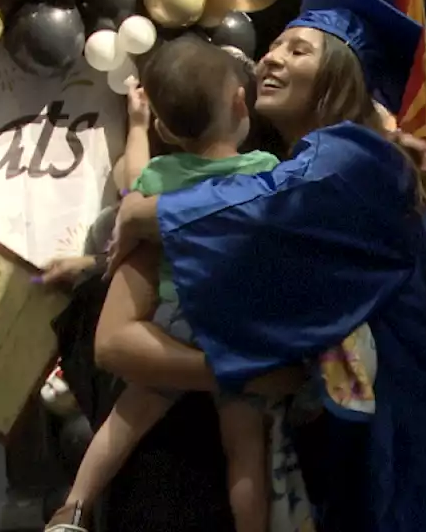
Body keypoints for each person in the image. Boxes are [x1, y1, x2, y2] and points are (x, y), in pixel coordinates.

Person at [95, 0, 426, 531]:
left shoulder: (352, 155)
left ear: (340, 76)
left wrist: (149, 211)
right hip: (386, 438)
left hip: (419, 445)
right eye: (274, 46)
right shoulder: (332, 161)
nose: (269, 57)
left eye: (298, 50)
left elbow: (266, 207)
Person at [48, 38, 278, 532]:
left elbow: (131, 198)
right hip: (240, 325)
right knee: (245, 448)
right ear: (242, 101)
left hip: (174, 317)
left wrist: (109, 260)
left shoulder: (158, 174)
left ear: (165, 128)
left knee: (125, 420)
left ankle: (73, 508)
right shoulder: (263, 172)